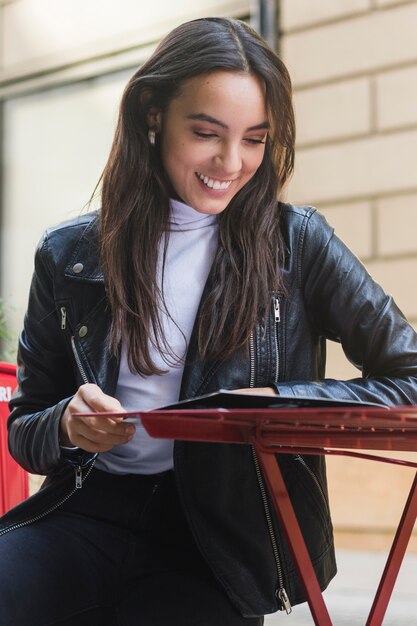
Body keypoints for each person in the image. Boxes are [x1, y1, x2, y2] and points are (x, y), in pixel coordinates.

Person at [1, 16, 417, 626]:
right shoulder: (68, 254)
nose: (232, 161)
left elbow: (410, 375)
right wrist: (66, 423)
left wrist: (276, 401)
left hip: (219, 538)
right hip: (87, 510)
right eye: (207, 133)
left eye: (255, 138)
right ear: (152, 114)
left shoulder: (297, 243)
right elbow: (24, 428)